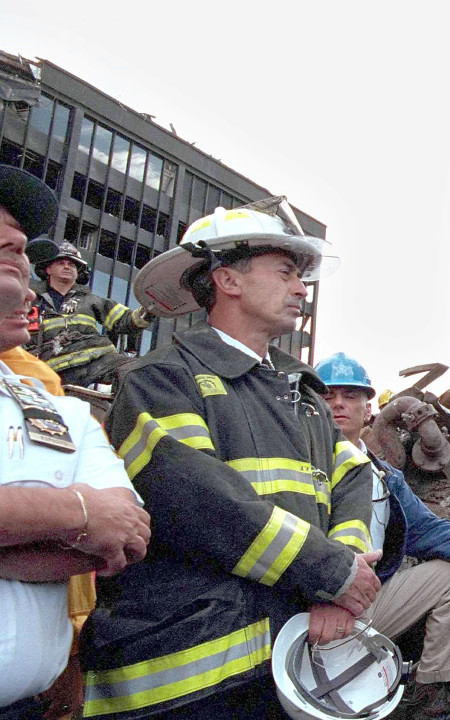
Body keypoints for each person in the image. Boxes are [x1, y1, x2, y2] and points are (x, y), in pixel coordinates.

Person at [80, 203, 381, 719]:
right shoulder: (160, 379)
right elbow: (197, 500)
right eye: (285, 272)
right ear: (227, 280)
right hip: (187, 676)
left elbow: (352, 478)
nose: (301, 290)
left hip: (285, 659)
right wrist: (332, 571)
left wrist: (342, 582)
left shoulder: (302, 391)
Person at [0, 166, 150, 719]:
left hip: (23, 701)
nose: (24, 258)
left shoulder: (51, 398)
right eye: (6, 246)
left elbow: (120, 534)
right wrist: (80, 511)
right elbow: (96, 520)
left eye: (24, 251)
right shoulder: (36, 318)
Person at [315, 352, 450, 712]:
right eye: (328, 394)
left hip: (365, 606)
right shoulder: (295, 464)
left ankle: (433, 692)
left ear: (368, 408)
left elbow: (427, 528)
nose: (339, 404)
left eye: (350, 396)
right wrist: (324, 595)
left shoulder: (383, 476)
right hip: (306, 613)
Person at [27, 242, 152, 388]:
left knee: (141, 374)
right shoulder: (30, 302)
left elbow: (127, 321)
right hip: (54, 374)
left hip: (100, 363)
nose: (67, 267)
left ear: (78, 272)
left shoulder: (91, 301)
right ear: (48, 269)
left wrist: (151, 307)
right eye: (61, 263)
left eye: (72, 265)